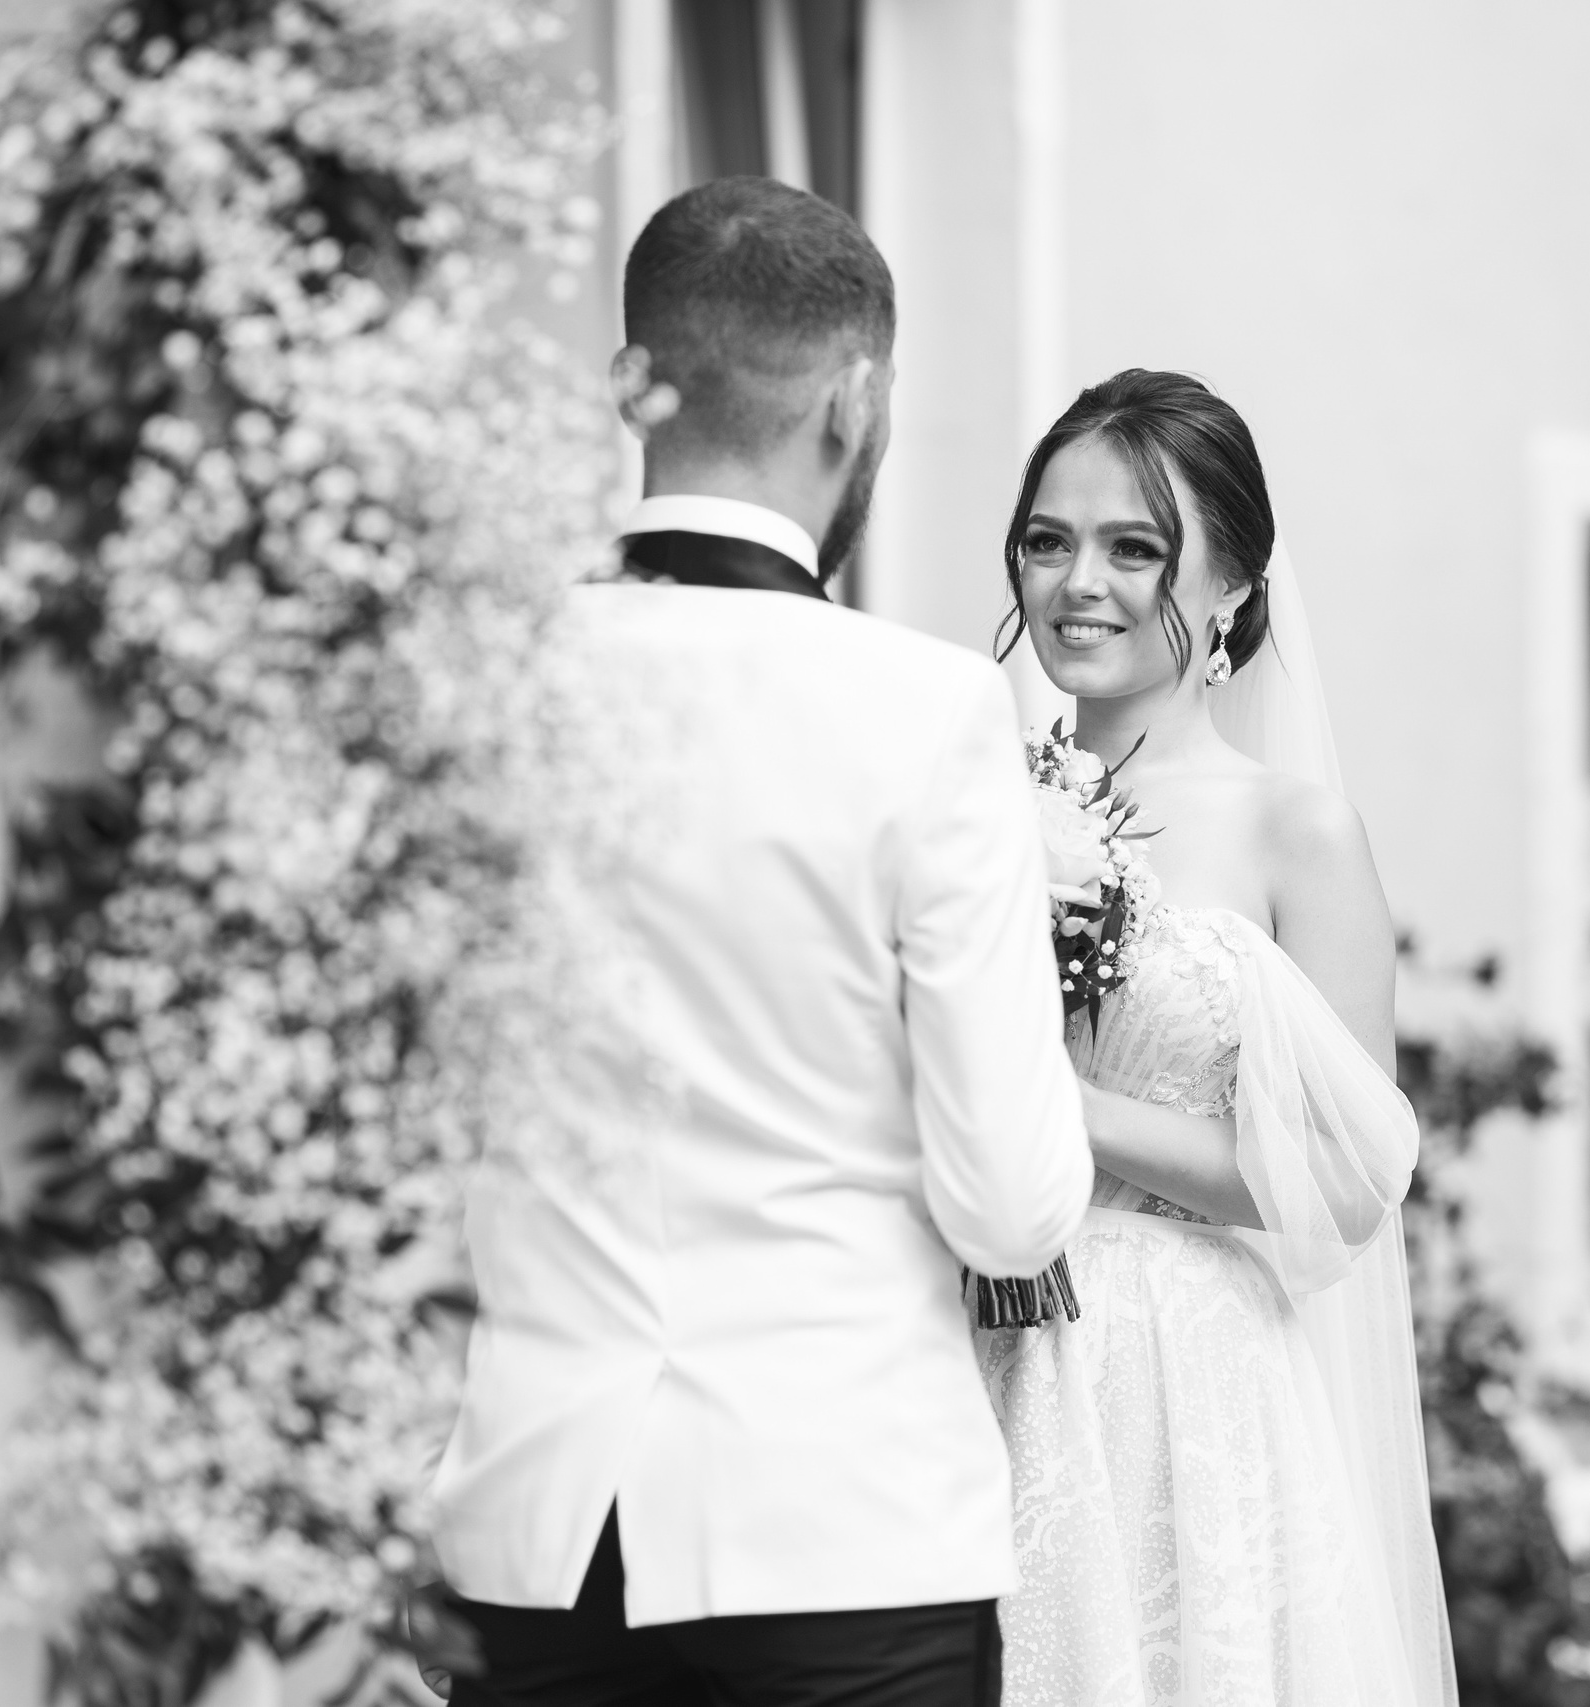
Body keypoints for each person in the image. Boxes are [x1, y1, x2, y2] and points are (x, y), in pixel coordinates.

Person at [412, 177, 1095, 1707]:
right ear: (855, 403)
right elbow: (1008, 1204)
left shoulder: (473, 689)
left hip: (535, 1539)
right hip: (844, 1537)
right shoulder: (926, 714)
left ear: (627, 385)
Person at [976, 369, 1459, 1707]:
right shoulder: (962, 800)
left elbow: (1350, 1177)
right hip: (968, 1354)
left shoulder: (1293, 831)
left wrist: (1050, 1103)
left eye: (1138, 547)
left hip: (1181, 1382)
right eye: (1048, 540)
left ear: (1237, 585)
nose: (1082, 582)